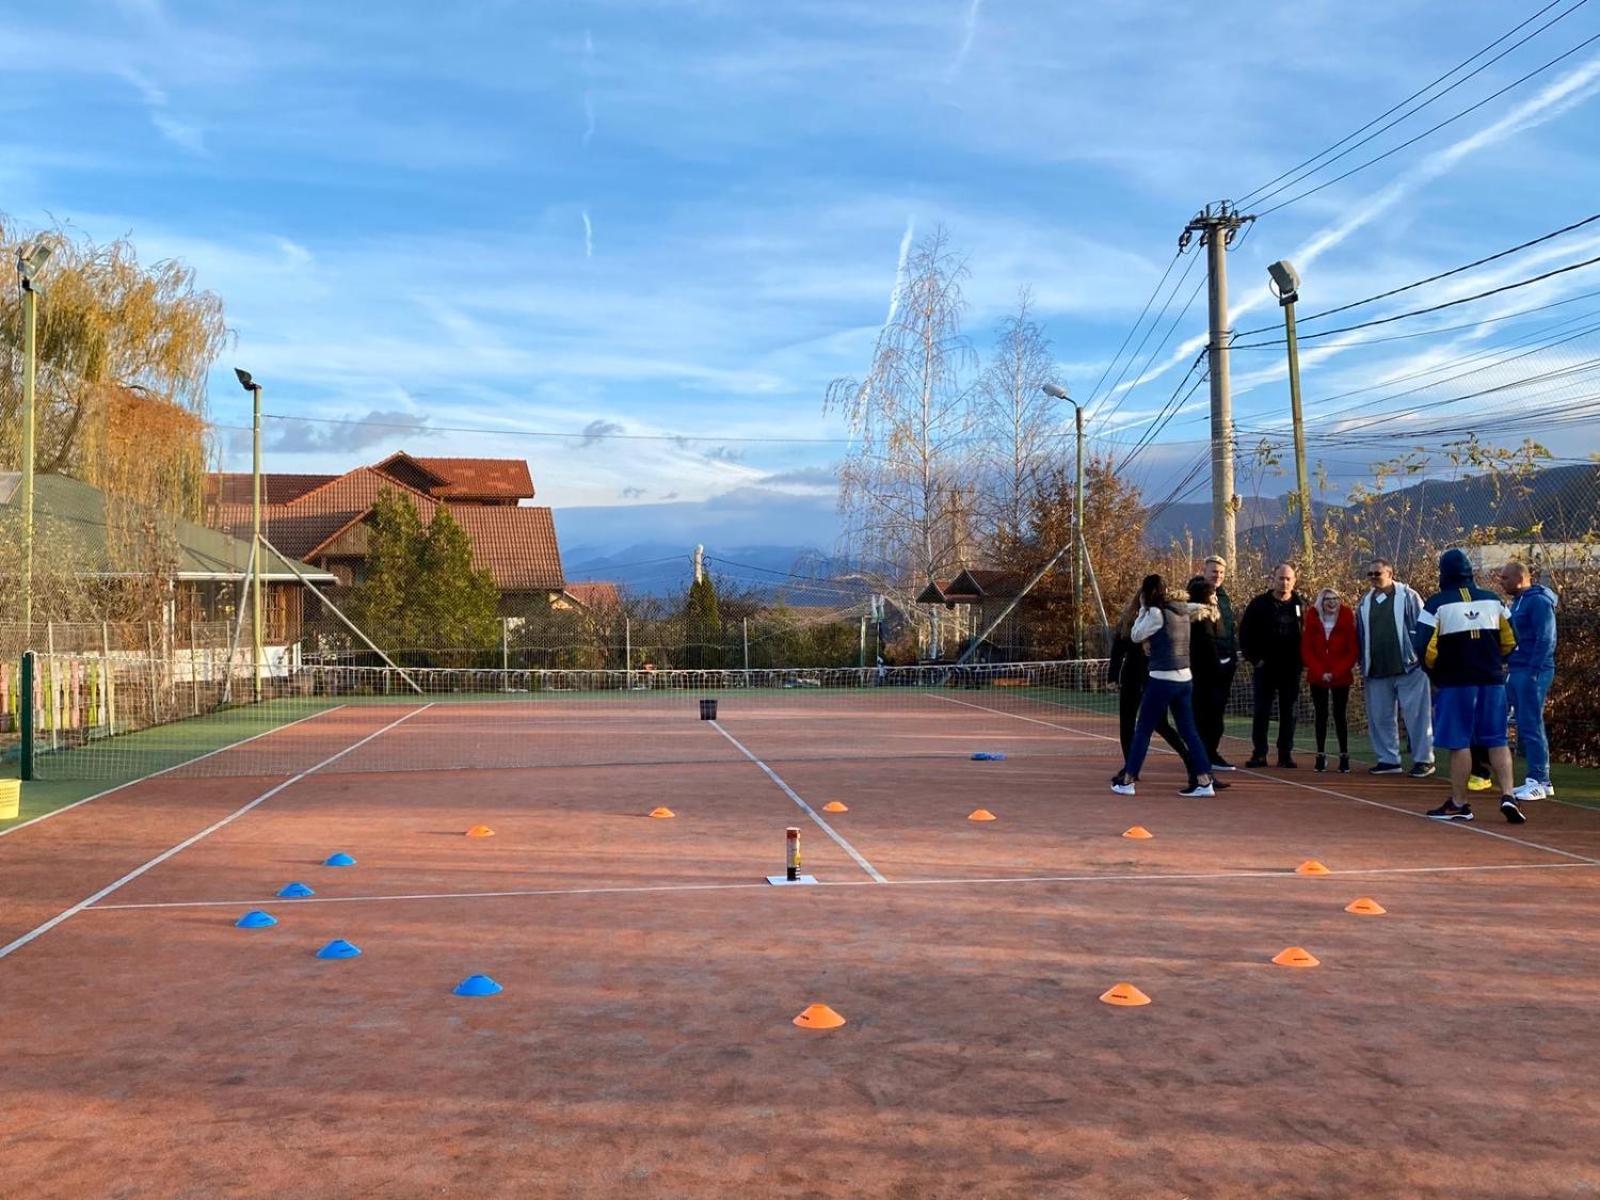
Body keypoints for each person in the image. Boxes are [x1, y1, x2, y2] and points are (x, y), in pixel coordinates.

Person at [1415, 548, 1522, 824]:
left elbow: (1424, 647)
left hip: (1456, 682)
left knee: (1459, 742)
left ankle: (1460, 803)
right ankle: (1508, 794)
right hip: (1491, 680)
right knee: (1497, 738)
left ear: (1443, 574)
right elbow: (1512, 640)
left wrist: (1436, 674)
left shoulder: (1436, 604)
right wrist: (1495, 661)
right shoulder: (1494, 600)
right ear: (1470, 572)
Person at [1110, 574, 1218, 798]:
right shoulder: (1182, 611)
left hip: (1162, 678)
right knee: (1189, 731)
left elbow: (1136, 634)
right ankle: (1204, 781)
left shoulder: (1155, 613)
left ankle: (1128, 780)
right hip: (1185, 678)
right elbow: (1199, 608)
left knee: (1143, 730)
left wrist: (1141, 609)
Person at [1354, 559, 1436, 778]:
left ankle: (1424, 760)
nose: (1373, 577)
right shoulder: (1364, 602)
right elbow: (1361, 635)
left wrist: (1421, 657)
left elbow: (1425, 627)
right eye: (1370, 574)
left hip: (1409, 666)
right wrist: (1363, 663)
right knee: (1380, 717)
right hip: (1377, 669)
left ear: (1390, 573)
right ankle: (1388, 760)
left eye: (1377, 573)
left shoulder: (1409, 597)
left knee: (1416, 715)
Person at [1108, 592, 1195, 783]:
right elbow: (1117, 651)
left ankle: (1190, 760)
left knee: (1161, 724)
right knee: (1127, 724)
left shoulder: (1162, 618)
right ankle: (1130, 767)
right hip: (1131, 677)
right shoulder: (1130, 619)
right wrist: (1112, 677)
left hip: (1153, 677)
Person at [1499, 560, 1558, 801]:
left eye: (1505, 578)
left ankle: (1540, 780)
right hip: (1516, 669)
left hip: (1533, 670)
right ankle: (1532, 778)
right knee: (1509, 717)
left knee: (1531, 722)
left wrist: (1534, 671)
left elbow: (1546, 637)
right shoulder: (1518, 602)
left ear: (1520, 579)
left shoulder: (1538, 601)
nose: (1502, 583)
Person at [1239, 563, 1307, 768]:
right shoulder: (1259, 604)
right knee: (1262, 711)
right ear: (1273, 579)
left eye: (1288, 579)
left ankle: (1285, 753)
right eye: (1281, 578)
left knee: (1290, 712)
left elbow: (1309, 634)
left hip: (1291, 669)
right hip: (1265, 668)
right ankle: (1259, 753)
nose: (1284, 582)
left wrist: (1303, 661)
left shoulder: (1301, 604)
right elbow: (1244, 633)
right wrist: (1255, 659)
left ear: (1294, 581)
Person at [1302, 586, 1358, 773]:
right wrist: (1320, 672)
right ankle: (1320, 754)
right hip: (1318, 676)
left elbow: (1352, 651)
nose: (1332, 602)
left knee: (1340, 715)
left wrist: (1335, 672)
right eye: (1327, 599)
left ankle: (1344, 755)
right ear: (1321, 602)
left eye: (1335, 598)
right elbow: (1307, 649)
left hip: (1340, 676)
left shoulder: (1346, 618)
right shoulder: (1312, 618)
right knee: (1321, 714)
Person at [1197, 555, 1239, 770]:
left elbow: (1229, 628)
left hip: (1226, 664)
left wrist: (1231, 656)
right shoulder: (1194, 595)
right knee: (1203, 712)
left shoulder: (1224, 597)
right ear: (1204, 571)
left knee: (1217, 713)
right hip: (1203, 666)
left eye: (1221, 573)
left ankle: (1211, 752)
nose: (1218, 576)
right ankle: (1202, 754)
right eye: (1214, 571)